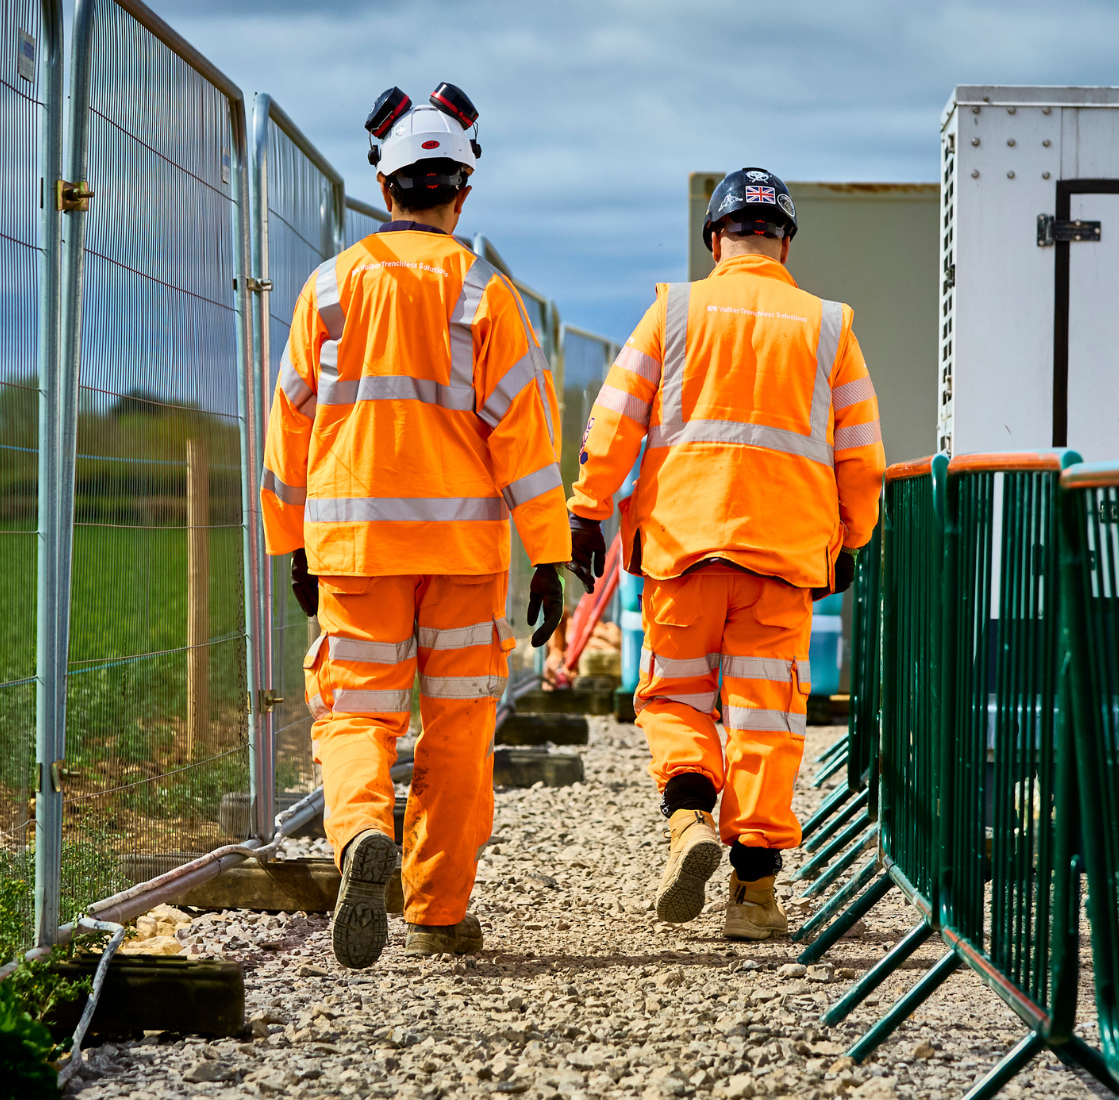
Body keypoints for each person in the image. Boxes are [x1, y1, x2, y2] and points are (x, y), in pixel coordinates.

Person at [260, 82, 571, 969]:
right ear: (461, 193)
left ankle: (362, 833)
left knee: (356, 715)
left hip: (355, 547)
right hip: (466, 555)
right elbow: (527, 438)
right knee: (460, 728)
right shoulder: (487, 294)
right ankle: (437, 912)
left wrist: (291, 541)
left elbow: (289, 423)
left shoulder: (328, 289)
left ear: (382, 183)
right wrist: (547, 553)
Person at [565, 168, 884, 940]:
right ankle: (754, 896)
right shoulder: (829, 325)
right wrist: (854, 538)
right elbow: (863, 455)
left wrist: (585, 511)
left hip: (681, 550)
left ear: (716, 238)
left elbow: (614, 422)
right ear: (784, 241)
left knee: (674, 697)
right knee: (766, 720)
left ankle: (688, 820)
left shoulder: (671, 311)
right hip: (783, 559)